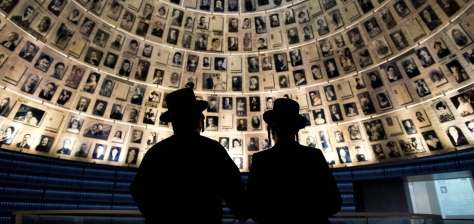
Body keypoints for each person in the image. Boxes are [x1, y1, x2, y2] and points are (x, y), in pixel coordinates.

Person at [130, 88, 246, 223]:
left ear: (173, 124)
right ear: (199, 121)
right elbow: (233, 186)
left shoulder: (155, 152)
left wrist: (156, 214)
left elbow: (138, 189)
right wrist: (240, 212)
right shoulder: (213, 150)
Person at [246, 98, 342, 223]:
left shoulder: (261, 159)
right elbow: (334, 202)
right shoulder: (314, 155)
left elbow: (252, 205)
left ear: (271, 130)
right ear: (296, 130)